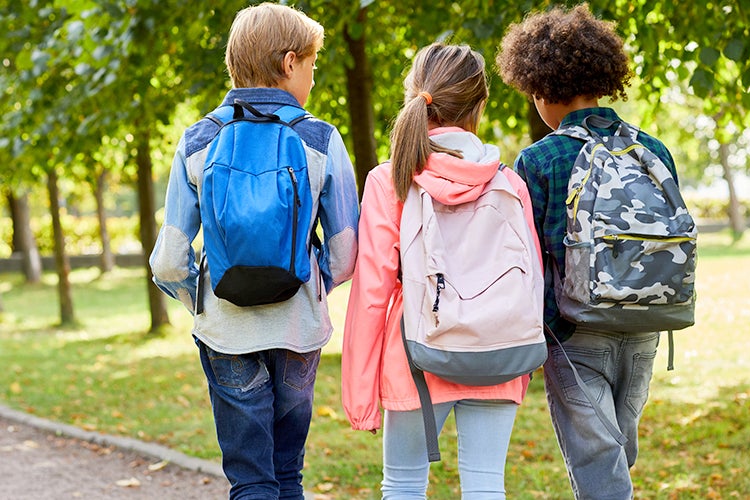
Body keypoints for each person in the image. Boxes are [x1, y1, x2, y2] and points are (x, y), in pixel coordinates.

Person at [149, 3, 359, 498]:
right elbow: (346, 253)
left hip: (227, 332)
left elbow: (168, 260)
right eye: (312, 65)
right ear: (290, 62)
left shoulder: (198, 140)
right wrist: (310, 283)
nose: (312, 77)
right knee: (288, 474)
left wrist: (201, 300)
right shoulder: (320, 138)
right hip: (297, 330)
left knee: (250, 481)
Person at [340, 43, 541, 499]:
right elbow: (531, 282)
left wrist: (359, 394)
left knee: (404, 485)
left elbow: (371, 293)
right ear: (480, 105)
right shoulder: (509, 183)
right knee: (487, 485)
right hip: (498, 353)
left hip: (414, 356)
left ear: (415, 97)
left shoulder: (389, 180)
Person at [496, 5, 680, 499]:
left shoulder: (539, 159)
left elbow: (527, 260)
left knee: (599, 458)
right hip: (646, 322)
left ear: (540, 89)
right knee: (618, 451)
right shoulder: (653, 151)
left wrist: (547, 331)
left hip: (576, 332)